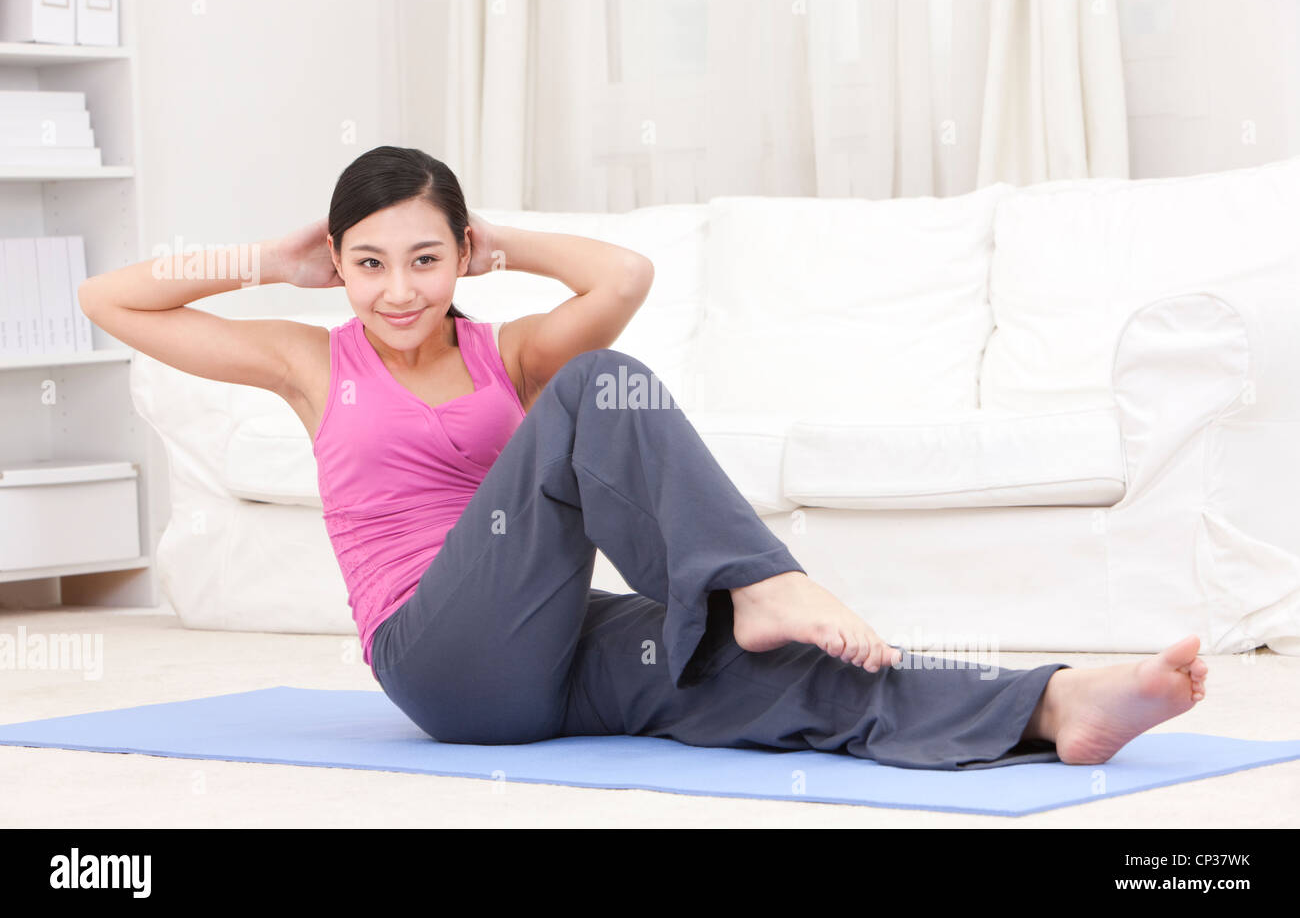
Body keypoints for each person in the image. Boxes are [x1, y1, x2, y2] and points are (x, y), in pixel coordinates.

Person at [79, 146, 1209, 771]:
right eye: (369, 263)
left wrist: (499, 239)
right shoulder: (311, 361)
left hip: (554, 646)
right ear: (339, 263)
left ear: (462, 257)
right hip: (438, 657)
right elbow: (106, 297)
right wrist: (270, 260)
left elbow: (620, 281)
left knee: (763, 661)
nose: (399, 289)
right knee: (592, 388)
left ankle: (1051, 705)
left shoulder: (501, 352)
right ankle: (759, 574)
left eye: (427, 258)